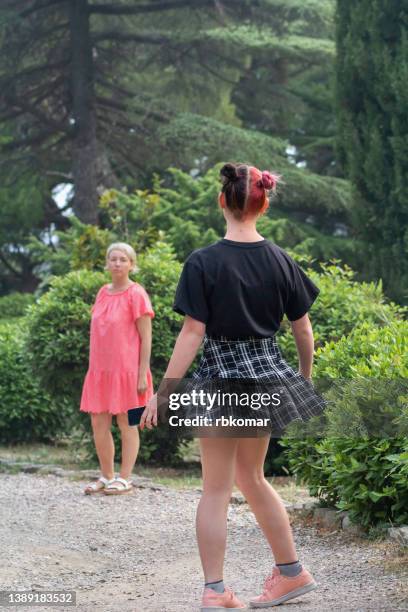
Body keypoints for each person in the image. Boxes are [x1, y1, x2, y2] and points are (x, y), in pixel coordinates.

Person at [141, 163, 322, 610]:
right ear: (262, 204)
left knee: (216, 488)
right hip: (266, 378)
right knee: (253, 477)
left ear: (223, 201)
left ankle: (216, 590)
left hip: (220, 379)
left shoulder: (203, 261)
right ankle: (292, 573)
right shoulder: (281, 259)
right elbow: (303, 331)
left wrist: (164, 392)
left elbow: (191, 333)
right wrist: (304, 379)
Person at [80, 242, 154, 496]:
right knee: (98, 423)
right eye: (113, 259)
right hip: (100, 371)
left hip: (129, 372)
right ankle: (106, 475)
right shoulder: (102, 292)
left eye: (123, 259)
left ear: (132, 264)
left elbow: (146, 338)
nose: (117, 263)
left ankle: (125, 478)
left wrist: (143, 372)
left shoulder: (137, 294)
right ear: (107, 263)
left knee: (127, 423)